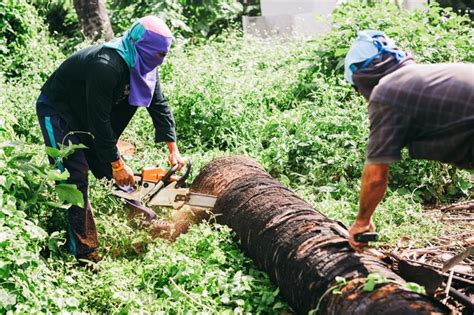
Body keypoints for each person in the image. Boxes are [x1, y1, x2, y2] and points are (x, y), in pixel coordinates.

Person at [36, 16, 184, 262]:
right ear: (144, 48)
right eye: (159, 54)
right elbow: (99, 121)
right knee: (75, 178)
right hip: (60, 111)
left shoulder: (146, 66)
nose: (162, 60)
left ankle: (146, 223)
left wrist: (173, 149)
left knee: (111, 170)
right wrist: (117, 162)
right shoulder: (106, 65)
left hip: (90, 115)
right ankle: (85, 254)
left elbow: (159, 106)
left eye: (164, 54)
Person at [343, 30, 474, 252]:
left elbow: (375, 175)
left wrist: (362, 221)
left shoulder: (388, 91)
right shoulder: (424, 76)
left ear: (364, 77)